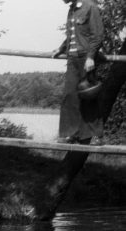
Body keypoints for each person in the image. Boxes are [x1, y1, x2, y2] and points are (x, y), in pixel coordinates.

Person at [52, 0, 103, 143]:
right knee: (70, 95)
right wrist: (61, 48)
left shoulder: (90, 7)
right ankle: (71, 133)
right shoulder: (72, 9)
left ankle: (94, 136)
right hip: (72, 59)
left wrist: (91, 57)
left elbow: (97, 34)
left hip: (86, 58)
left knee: (89, 95)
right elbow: (72, 34)